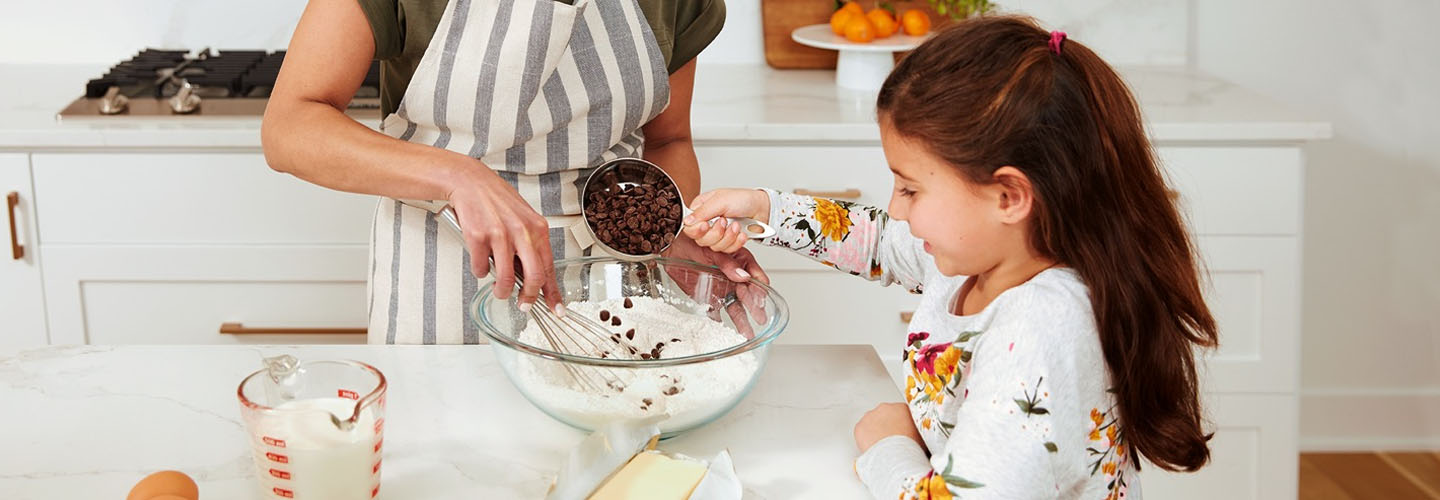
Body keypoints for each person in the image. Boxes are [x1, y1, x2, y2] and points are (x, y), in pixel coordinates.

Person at [682, 16, 1216, 499]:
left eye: (910, 189)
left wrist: (889, 447)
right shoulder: (989, 257)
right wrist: (763, 208)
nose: (896, 206)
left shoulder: (1038, 328)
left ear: (1008, 197)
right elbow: (877, 240)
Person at [262, 0, 765, 344]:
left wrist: (659, 227)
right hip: (440, 264)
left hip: (614, 277)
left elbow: (669, 139)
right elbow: (290, 127)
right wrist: (458, 176)